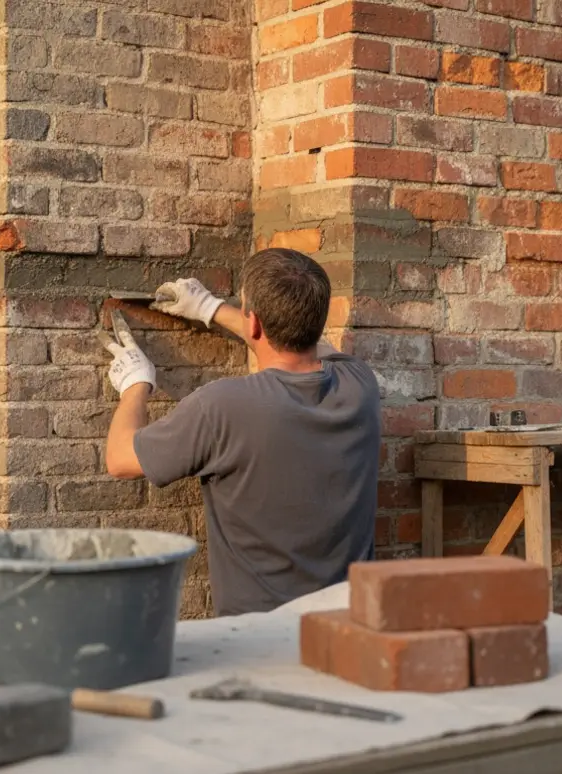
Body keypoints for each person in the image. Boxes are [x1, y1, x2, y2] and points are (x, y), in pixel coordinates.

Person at [100, 247, 382, 616]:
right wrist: (209, 307)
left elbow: (120, 459)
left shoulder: (222, 407)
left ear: (255, 324)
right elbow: (313, 347)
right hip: (348, 624)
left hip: (259, 634)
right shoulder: (360, 383)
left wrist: (136, 385)